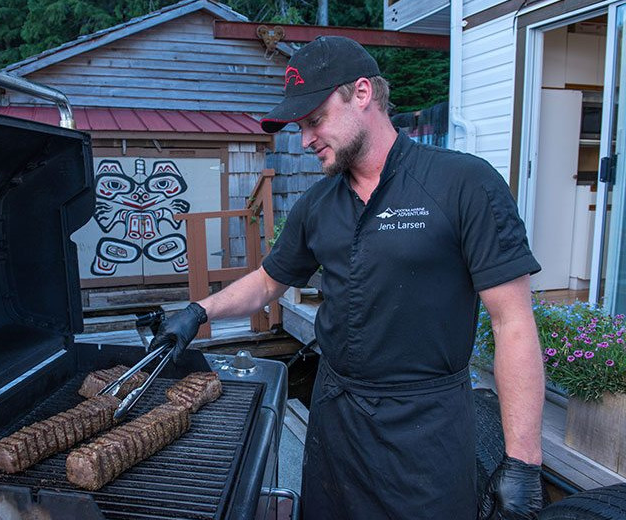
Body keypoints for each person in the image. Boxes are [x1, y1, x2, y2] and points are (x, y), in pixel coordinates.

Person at [151, 36, 545, 520]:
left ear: (362, 94)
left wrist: (523, 461)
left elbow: (513, 323)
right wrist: (198, 312)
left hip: (426, 431)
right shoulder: (317, 205)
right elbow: (269, 281)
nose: (305, 139)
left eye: (314, 120)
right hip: (336, 424)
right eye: (299, 126)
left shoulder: (464, 183)